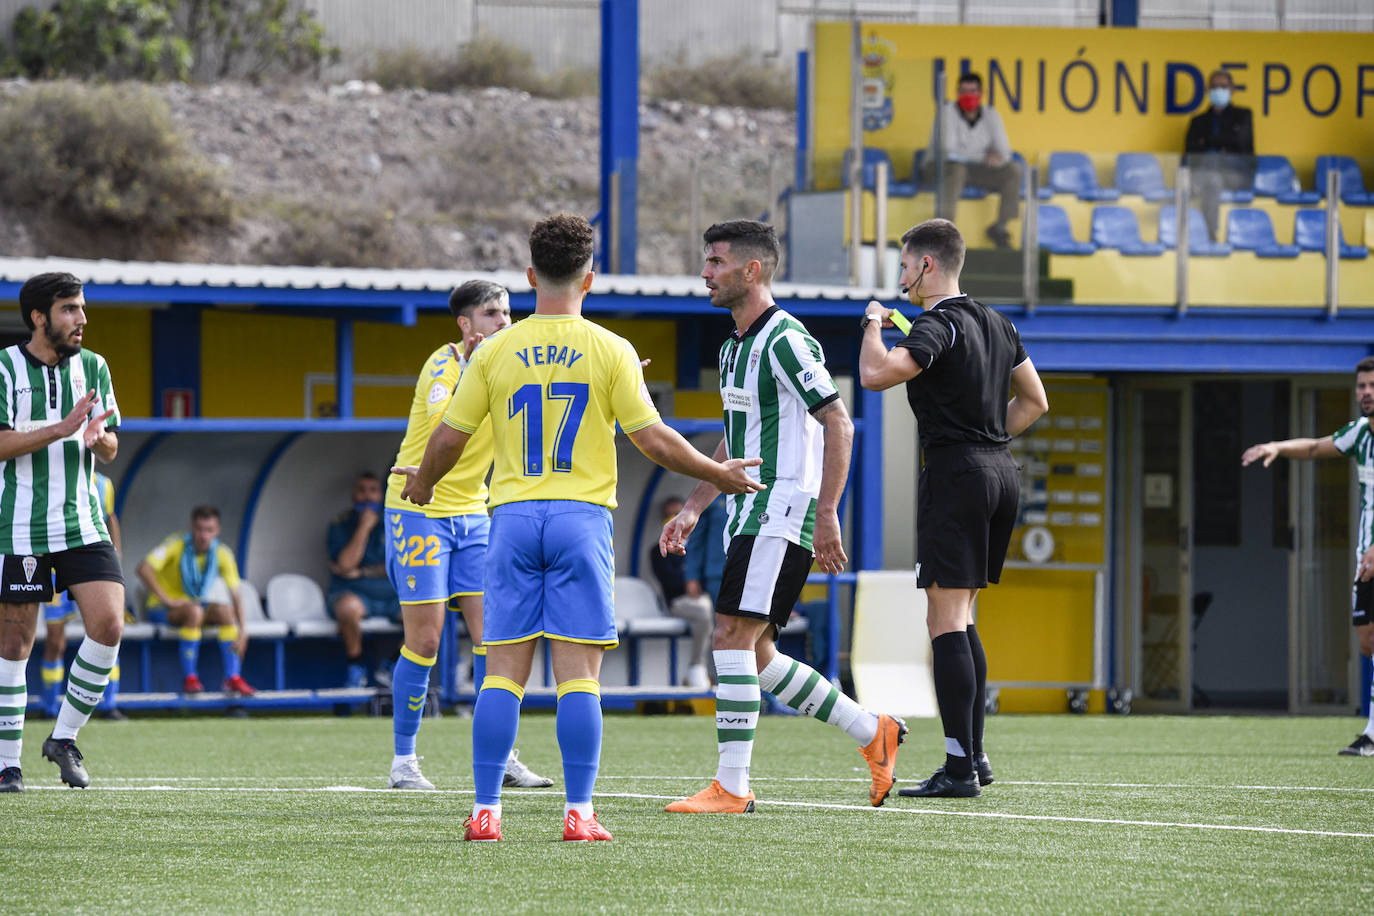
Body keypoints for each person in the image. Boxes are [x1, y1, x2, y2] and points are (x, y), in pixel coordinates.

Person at [394, 212, 764, 842]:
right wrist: (716, 472)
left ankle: (486, 812)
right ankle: (580, 814)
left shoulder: (494, 350)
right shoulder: (610, 349)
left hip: (509, 520)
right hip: (580, 520)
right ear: (589, 278)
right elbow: (653, 439)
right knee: (579, 679)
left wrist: (423, 485)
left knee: (502, 674)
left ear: (531, 275)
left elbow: (448, 438)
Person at [659, 219, 910, 815]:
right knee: (759, 656)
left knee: (729, 638)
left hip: (782, 510)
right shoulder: (731, 347)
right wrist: (696, 506)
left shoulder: (786, 340)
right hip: (747, 513)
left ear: (752, 270)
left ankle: (733, 787)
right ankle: (872, 731)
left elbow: (840, 422)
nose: (705, 272)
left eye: (716, 261)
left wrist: (827, 514)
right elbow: (734, 437)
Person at [858, 218, 1048, 798]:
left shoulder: (937, 323)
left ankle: (959, 768)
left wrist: (872, 325)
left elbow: (874, 375)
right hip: (999, 472)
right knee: (962, 615)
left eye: (905, 264)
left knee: (944, 619)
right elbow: (1035, 402)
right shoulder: (998, 320)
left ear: (927, 266)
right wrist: (988, 442)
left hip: (956, 472)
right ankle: (977, 757)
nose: (901, 276)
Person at [382, 278, 552, 793]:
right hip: (419, 507)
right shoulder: (443, 365)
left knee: (494, 638)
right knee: (427, 640)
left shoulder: (508, 365)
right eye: (492, 314)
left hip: (475, 515)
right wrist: (472, 376)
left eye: (507, 312)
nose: (504, 322)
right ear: (465, 324)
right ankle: (404, 761)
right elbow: (443, 422)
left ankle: (501, 756)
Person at [0, 271, 125, 792]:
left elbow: (112, 442)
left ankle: (63, 738)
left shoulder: (94, 367)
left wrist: (98, 441)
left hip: (83, 522)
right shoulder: (4, 367)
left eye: (82, 308)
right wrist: (61, 428)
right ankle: (8, 764)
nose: (82, 319)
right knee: (15, 644)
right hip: (21, 526)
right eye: (70, 309)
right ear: (39, 317)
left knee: (109, 625)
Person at [1241, 356, 1374, 758]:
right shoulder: (1361, 434)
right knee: (1367, 641)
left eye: (1372, 386)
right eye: (1362, 387)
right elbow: (1316, 447)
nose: (1366, 393)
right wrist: (1278, 447)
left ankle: (1371, 734)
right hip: (1365, 553)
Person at [137, 505, 256, 697]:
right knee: (194, 612)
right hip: (162, 609)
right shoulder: (175, 545)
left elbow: (236, 594)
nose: (204, 535)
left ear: (217, 531)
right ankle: (190, 679)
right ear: (192, 528)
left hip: (194, 606)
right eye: (200, 529)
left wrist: (244, 632)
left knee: (225, 611)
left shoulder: (222, 553)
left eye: (209, 530)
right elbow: (143, 568)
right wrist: (168, 599)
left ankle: (232, 679)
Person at [40, 470, 125, 721]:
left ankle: (109, 705)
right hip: (56, 567)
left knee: (107, 633)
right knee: (56, 640)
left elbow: (110, 518)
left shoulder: (103, 482)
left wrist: (116, 555)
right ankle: (49, 708)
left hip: (93, 567)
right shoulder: (52, 475)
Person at [921, 72, 1021, 249]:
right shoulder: (946, 112)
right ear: (957, 92)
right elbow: (949, 151)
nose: (968, 96)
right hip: (938, 168)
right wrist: (984, 156)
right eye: (963, 91)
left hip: (973, 170)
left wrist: (995, 157)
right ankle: (943, 233)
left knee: (1013, 170)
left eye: (973, 91)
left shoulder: (991, 115)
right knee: (958, 168)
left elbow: (1005, 152)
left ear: (982, 93)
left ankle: (1000, 227)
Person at [327, 471, 401, 687]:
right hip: (355, 593)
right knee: (348, 608)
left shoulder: (394, 520)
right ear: (353, 495)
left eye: (373, 491)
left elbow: (399, 565)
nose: (367, 497)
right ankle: (355, 665)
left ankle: (393, 663)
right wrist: (364, 528)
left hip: (391, 594)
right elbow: (345, 565)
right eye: (362, 491)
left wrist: (364, 572)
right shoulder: (340, 524)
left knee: (427, 610)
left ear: (382, 494)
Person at [647, 496, 713, 688]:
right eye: (668, 514)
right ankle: (697, 666)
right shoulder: (657, 549)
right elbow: (670, 582)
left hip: (704, 598)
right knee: (703, 612)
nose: (672, 518)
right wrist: (691, 580)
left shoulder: (697, 547)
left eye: (676, 513)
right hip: (678, 602)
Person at [1183, 68, 1255, 242]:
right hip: (1205, 175)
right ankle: (1204, 234)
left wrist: (1206, 141)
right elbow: (1190, 151)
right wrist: (1222, 143)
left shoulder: (1243, 116)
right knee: (1210, 179)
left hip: (1236, 174)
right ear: (1208, 91)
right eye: (1214, 87)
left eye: (1223, 86)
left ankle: (1208, 234)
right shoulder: (1197, 121)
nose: (1218, 90)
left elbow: (1240, 143)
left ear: (1232, 90)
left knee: (1211, 170)